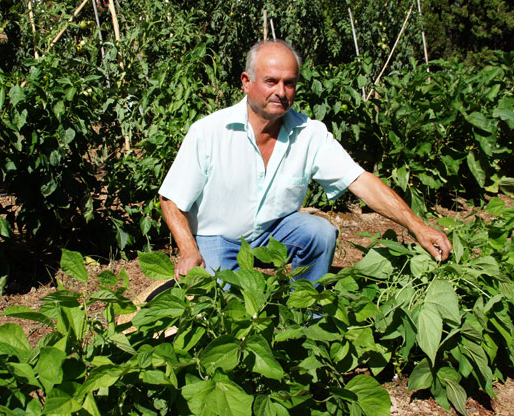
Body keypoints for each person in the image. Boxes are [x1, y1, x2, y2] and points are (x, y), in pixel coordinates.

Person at [158, 39, 451, 282]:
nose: (281, 92)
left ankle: (306, 314)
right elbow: (170, 198)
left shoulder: (309, 134)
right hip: (217, 237)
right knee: (224, 314)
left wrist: (417, 226)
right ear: (246, 82)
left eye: (290, 83)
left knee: (320, 233)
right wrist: (188, 249)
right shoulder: (209, 132)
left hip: (272, 233)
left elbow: (360, 181)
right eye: (271, 81)